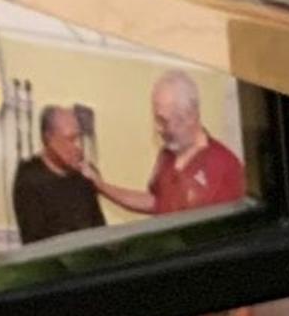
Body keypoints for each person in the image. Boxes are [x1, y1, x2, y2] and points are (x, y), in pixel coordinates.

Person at [86, 71, 247, 218]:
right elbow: (156, 202)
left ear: (190, 116)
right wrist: (101, 186)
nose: (157, 129)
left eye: (164, 121)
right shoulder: (167, 154)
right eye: (156, 120)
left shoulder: (224, 167)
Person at [9, 104, 110, 243]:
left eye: (80, 138)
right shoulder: (29, 178)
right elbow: (35, 243)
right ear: (48, 138)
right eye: (71, 139)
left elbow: (99, 229)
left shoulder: (85, 175)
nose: (79, 147)